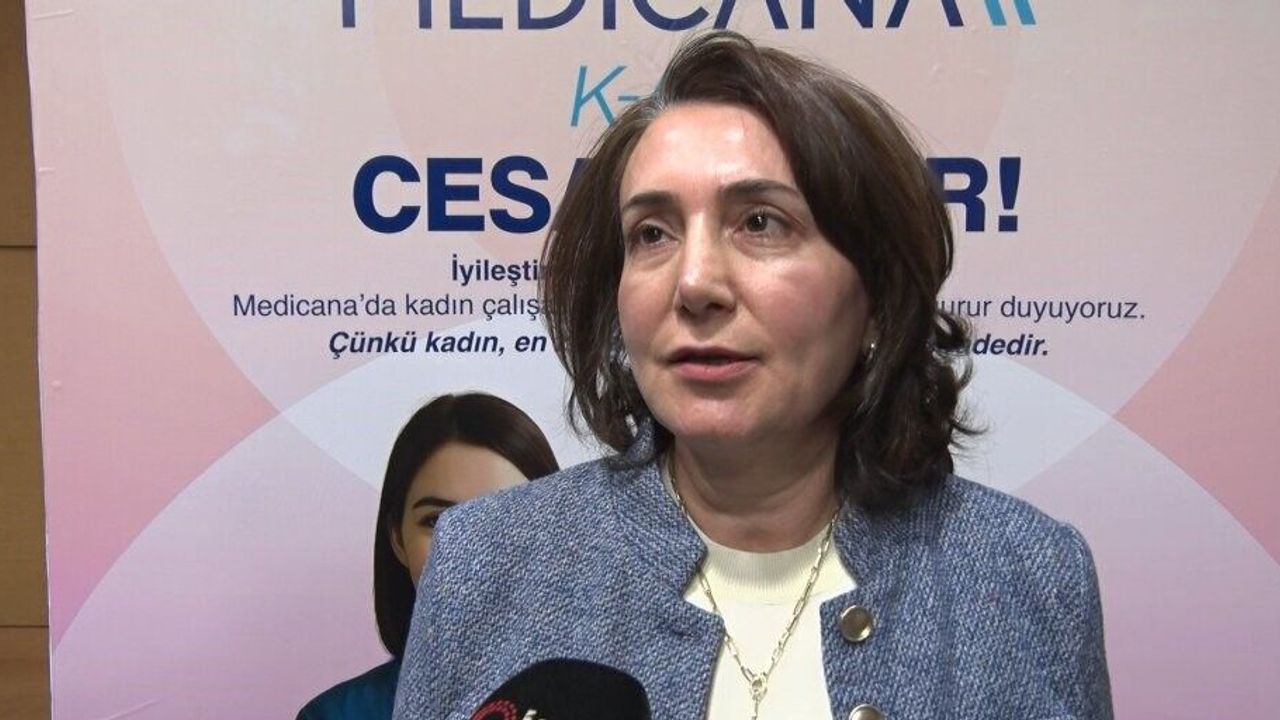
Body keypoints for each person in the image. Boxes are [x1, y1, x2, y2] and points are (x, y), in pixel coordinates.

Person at [394, 31, 1112, 720]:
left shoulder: (1030, 575)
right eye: (652, 233)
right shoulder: (486, 561)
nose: (695, 283)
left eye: (761, 223)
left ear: (876, 297)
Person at [298, 393, 559, 720]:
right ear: (398, 539)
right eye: (436, 521)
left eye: (505, 516)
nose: (469, 548)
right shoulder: (337, 715)